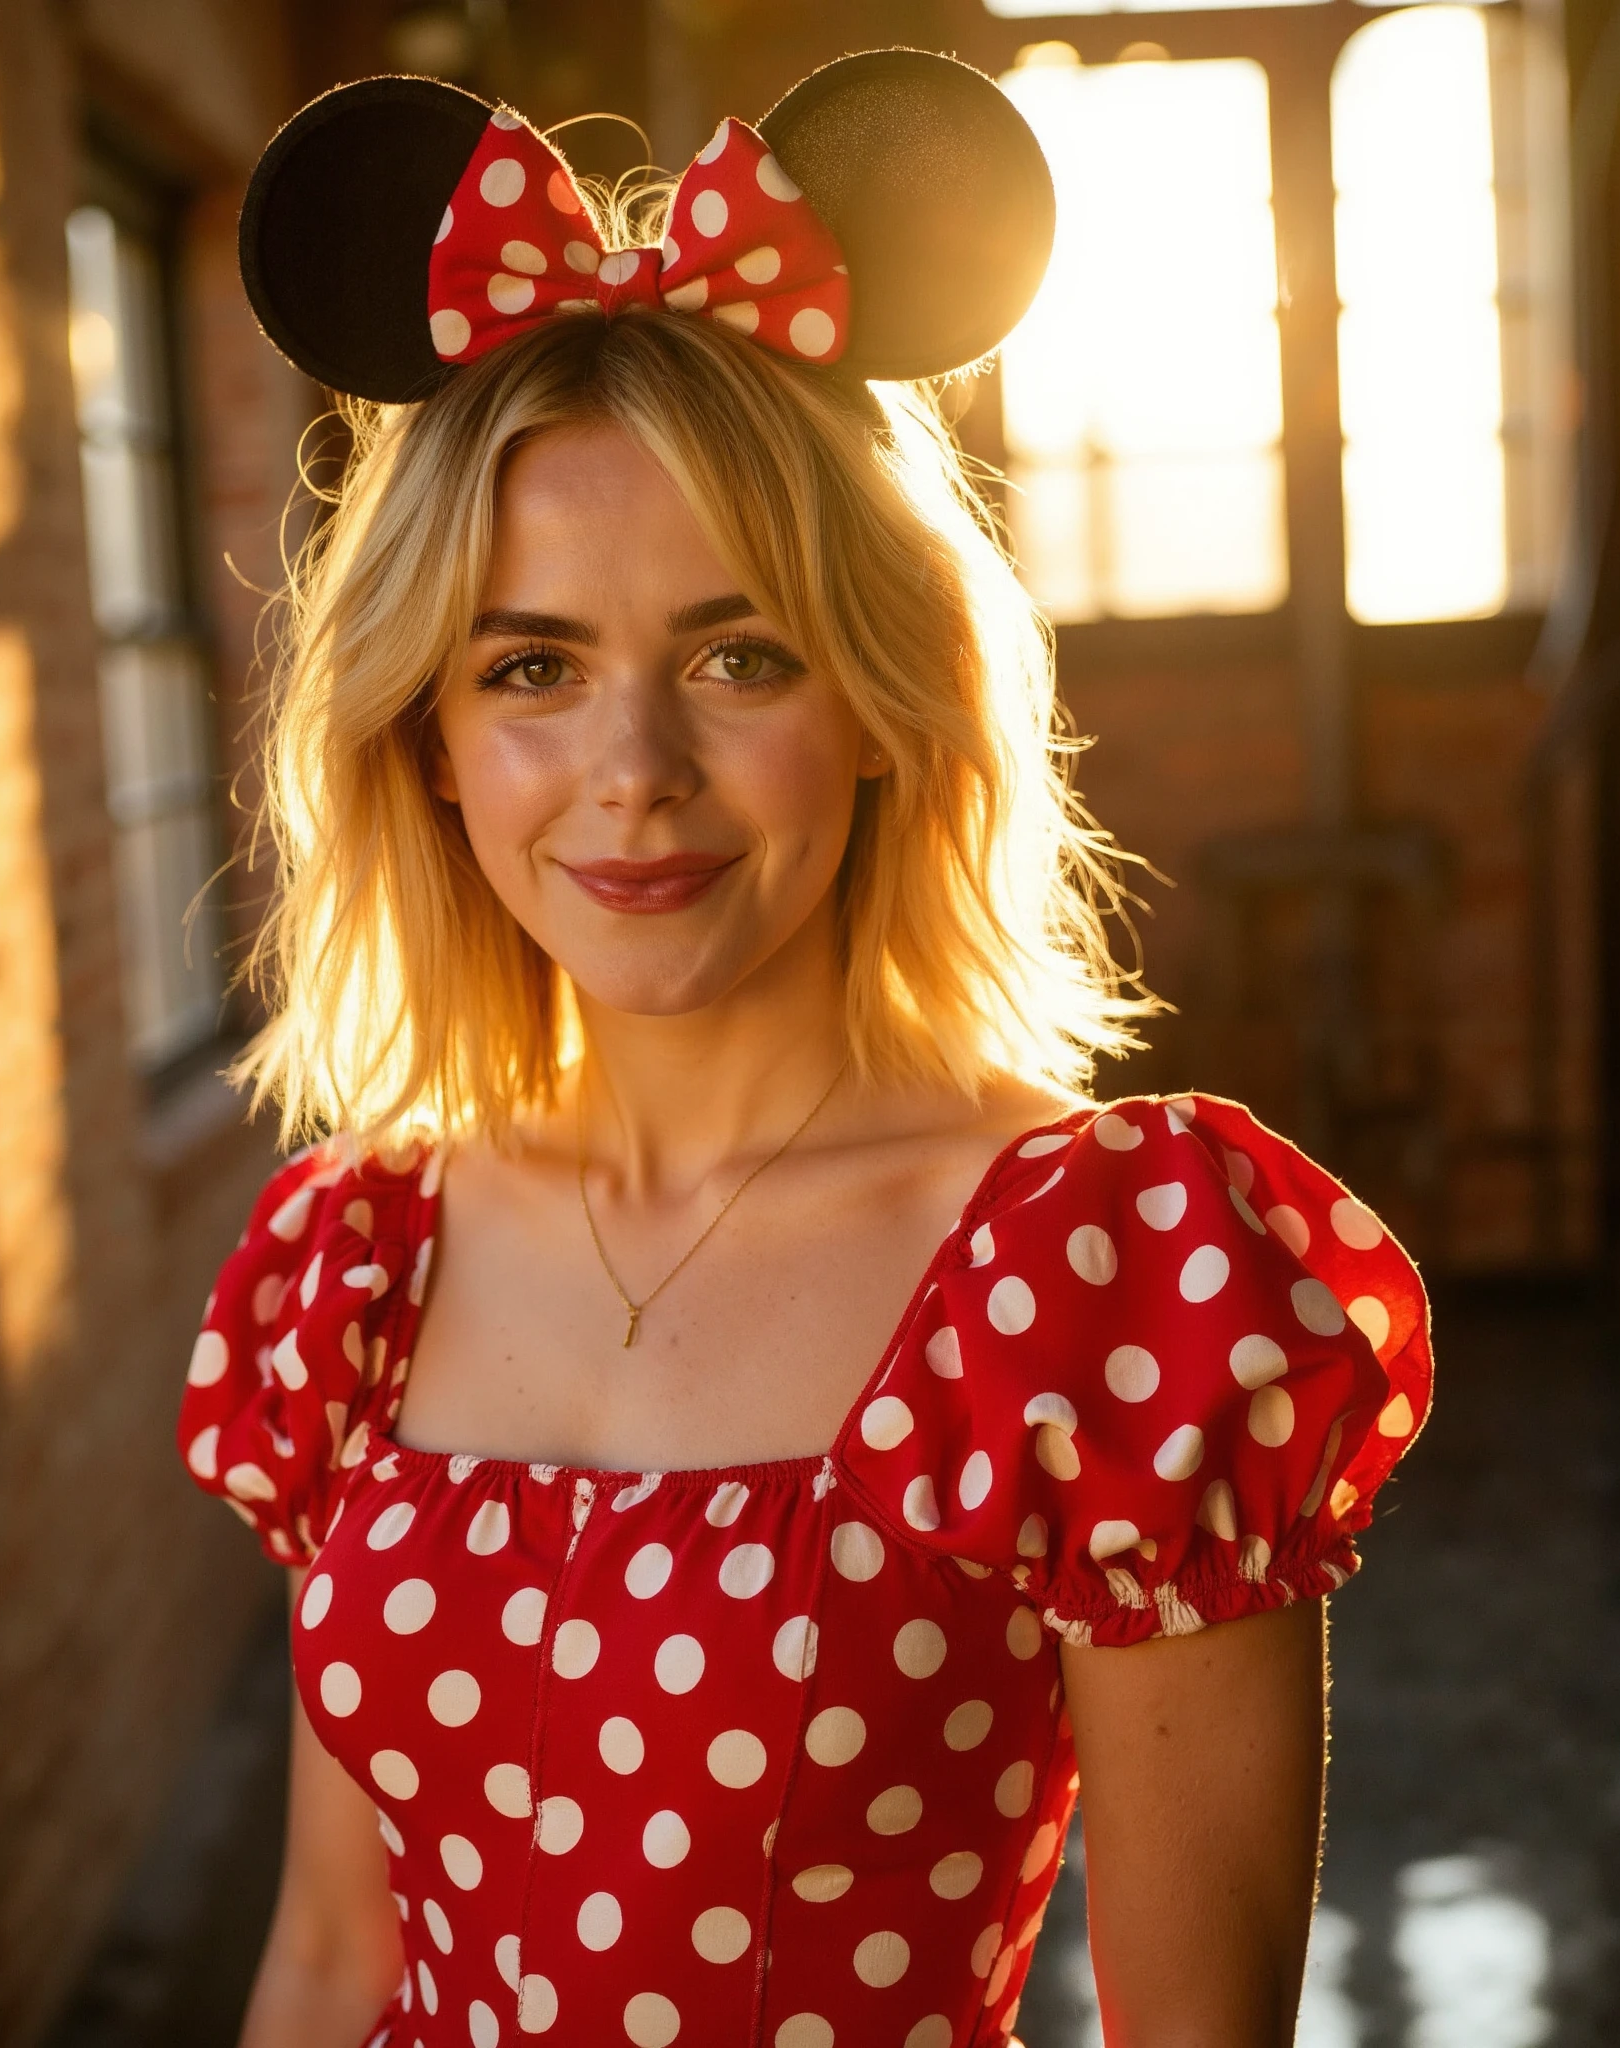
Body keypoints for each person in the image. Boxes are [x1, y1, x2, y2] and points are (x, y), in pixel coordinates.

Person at [179, 50, 1433, 2048]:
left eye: (735, 652)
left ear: (876, 698)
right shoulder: (359, 1261)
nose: (633, 775)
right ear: (424, 736)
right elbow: (333, 1960)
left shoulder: (1095, 1269)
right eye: (531, 667)